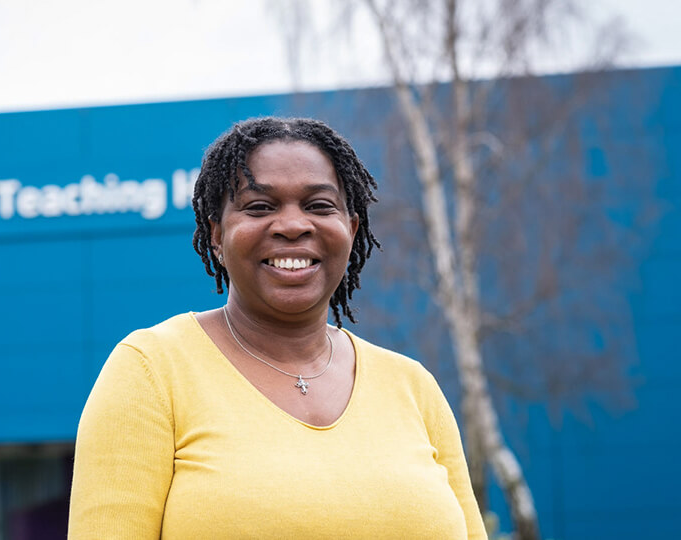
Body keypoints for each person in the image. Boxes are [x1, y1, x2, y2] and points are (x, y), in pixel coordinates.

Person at [68, 117, 486, 539]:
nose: (292, 225)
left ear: (351, 229)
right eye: (260, 207)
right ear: (217, 235)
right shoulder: (150, 372)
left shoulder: (413, 387)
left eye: (319, 206)